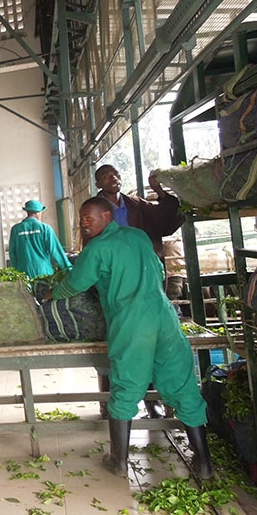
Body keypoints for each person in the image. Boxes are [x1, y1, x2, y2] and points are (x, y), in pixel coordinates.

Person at [49, 197, 213, 480]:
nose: (84, 223)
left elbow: (76, 283)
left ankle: (119, 461)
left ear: (107, 215)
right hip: (164, 315)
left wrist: (51, 294)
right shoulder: (138, 237)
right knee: (182, 383)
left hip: (131, 321)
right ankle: (204, 463)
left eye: (90, 217)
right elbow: (159, 270)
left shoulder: (97, 249)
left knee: (125, 386)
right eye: (82, 218)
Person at [95, 164, 185, 418]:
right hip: (115, 281)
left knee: (146, 339)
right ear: (99, 184)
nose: (113, 177)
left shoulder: (136, 205)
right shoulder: (96, 209)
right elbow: (91, 244)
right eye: (105, 176)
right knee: (116, 340)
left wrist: (159, 190)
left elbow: (166, 221)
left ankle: (151, 400)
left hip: (144, 278)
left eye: (115, 173)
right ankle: (110, 401)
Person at [8, 200, 71, 279]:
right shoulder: (45, 229)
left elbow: (12, 253)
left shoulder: (16, 229)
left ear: (27, 211)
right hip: (43, 272)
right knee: (45, 290)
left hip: (23, 272)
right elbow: (56, 251)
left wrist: (18, 269)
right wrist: (68, 270)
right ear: (38, 213)